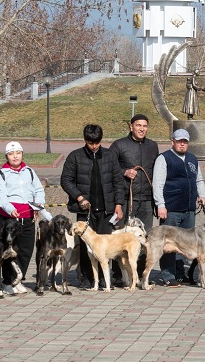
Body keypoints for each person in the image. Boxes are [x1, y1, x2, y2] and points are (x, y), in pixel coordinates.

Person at [61, 124, 126, 289]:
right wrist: (79, 197)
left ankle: (104, 278)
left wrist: (118, 204)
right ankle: (87, 277)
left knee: (104, 245)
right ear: (85, 140)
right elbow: (66, 180)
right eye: (91, 143)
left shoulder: (110, 156)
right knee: (86, 246)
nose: (94, 146)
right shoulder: (75, 157)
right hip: (85, 210)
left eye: (97, 142)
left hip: (106, 210)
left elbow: (118, 182)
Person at [151, 128, 205, 285]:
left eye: (185, 141)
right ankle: (168, 275)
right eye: (179, 141)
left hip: (189, 209)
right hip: (171, 209)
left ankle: (179, 273)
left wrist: (202, 195)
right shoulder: (164, 158)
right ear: (173, 142)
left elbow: (198, 180)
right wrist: (160, 205)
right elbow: (158, 183)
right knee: (168, 244)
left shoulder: (192, 159)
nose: (182, 144)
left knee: (184, 244)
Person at [0, 141, 46, 295]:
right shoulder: (2, 174)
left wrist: (39, 204)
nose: (15, 156)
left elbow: (38, 189)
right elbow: (1, 197)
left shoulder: (29, 171)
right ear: (6, 156)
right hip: (9, 219)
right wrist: (10, 209)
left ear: (22, 154)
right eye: (11, 154)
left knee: (25, 250)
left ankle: (18, 279)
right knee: (8, 251)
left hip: (28, 217)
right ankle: (7, 282)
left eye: (17, 153)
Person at [110, 113, 159, 230]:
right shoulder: (119, 145)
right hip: (126, 199)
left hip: (147, 200)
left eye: (145, 126)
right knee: (124, 234)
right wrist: (124, 172)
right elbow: (108, 168)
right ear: (131, 127)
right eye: (138, 125)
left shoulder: (153, 146)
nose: (142, 129)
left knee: (144, 234)